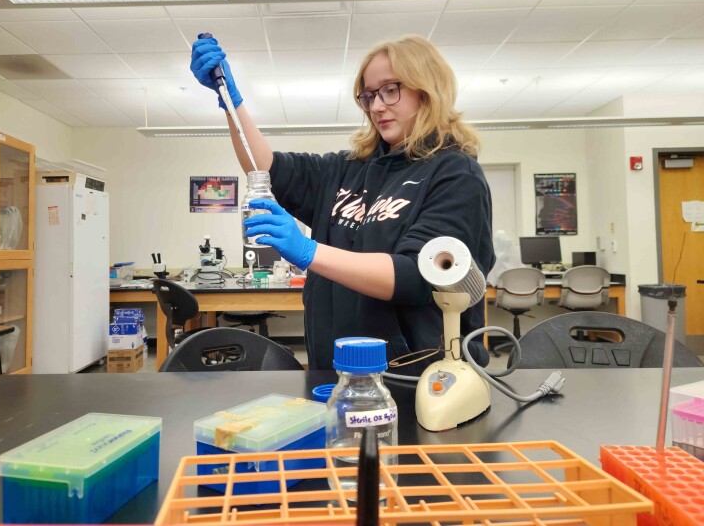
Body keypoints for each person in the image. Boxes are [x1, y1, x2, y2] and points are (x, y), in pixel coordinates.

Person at [190, 34, 494, 374]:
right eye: (369, 95)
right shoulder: (347, 168)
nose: (377, 106)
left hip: (416, 378)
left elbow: (418, 275)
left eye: (391, 90)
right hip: (335, 370)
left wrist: (309, 251)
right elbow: (266, 168)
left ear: (427, 89)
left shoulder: (456, 173)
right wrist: (231, 101)